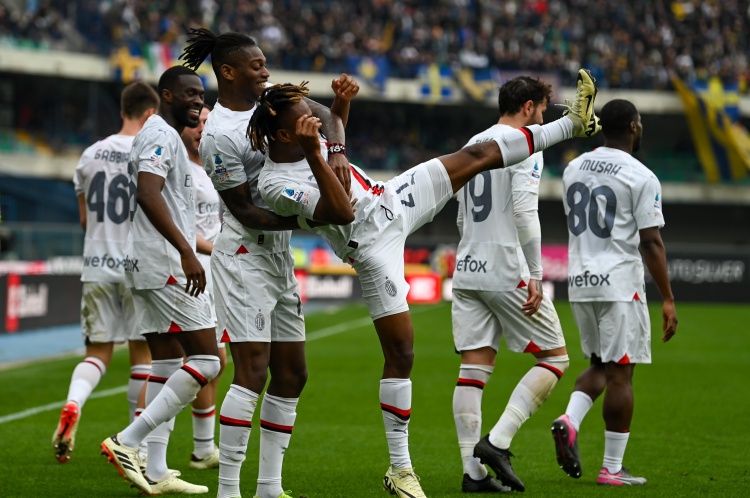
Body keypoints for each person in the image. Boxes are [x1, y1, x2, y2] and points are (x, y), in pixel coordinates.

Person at [251, 69, 601, 498]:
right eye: (306, 122)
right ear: (284, 136)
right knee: (402, 353)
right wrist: (316, 153)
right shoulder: (275, 184)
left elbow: (332, 125)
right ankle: (400, 469)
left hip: (393, 197)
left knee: (476, 155)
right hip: (371, 247)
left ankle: (572, 124)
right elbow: (341, 212)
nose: (316, 123)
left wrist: (339, 114)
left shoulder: (306, 132)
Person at [180, 28, 357, 498]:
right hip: (243, 256)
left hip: (277, 255)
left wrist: (337, 152)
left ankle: (269, 487)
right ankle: (228, 490)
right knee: (252, 372)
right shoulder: (219, 134)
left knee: (294, 373)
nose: (265, 71)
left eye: (264, 63)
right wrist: (313, 218)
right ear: (228, 71)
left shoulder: (272, 100)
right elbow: (243, 210)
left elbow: (325, 117)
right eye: (256, 65)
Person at [100, 66, 220, 496]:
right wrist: (187, 251)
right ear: (166, 95)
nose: (198, 102)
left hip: (150, 262)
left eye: (201, 96)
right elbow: (147, 193)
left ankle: (154, 468)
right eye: (190, 94)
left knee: (167, 364)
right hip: (166, 264)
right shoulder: (159, 134)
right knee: (208, 361)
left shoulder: (165, 136)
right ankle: (126, 441)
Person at [451, 76, 570, 493]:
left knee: (473, 369)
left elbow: (461, 214)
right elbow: (524, 211)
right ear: (528, 106)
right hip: (505, 265)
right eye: (542, 112)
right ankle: (497, 442)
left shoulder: (473, 141)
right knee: (555, 358)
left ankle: (473, 474)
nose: (543, 122)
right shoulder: (525, 142)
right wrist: (535, 272)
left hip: (468, 265)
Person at [551, 99, 678, 486]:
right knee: (622, 374)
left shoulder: (574, 168)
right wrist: (668, 298)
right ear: (634, 127)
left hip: (581, 280)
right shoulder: (641, 176)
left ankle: (570, 419)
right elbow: (650, 242)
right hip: (619, 283)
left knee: (601, 365)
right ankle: (611, 468)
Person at [54, 82, 159, 464]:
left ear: (122, 110)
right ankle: (134, 445)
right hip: (137, 266)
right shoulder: (149, 153)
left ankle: (73, 403)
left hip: (97, 264)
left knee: (97, 353)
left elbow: (86, 221)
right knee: (143, 356)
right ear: (150, 114)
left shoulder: (89, 154)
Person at [180, 103, 226, 469]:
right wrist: (216, 249)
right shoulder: (179, 168)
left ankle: (203, 448)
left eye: (207, 122)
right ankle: (141, 436)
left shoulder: (213, 166)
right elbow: (180, 226)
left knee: (215, 361)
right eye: (196, 122)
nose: (201, 128)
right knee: (203, 360)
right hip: (192, 267)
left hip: (215, 269)